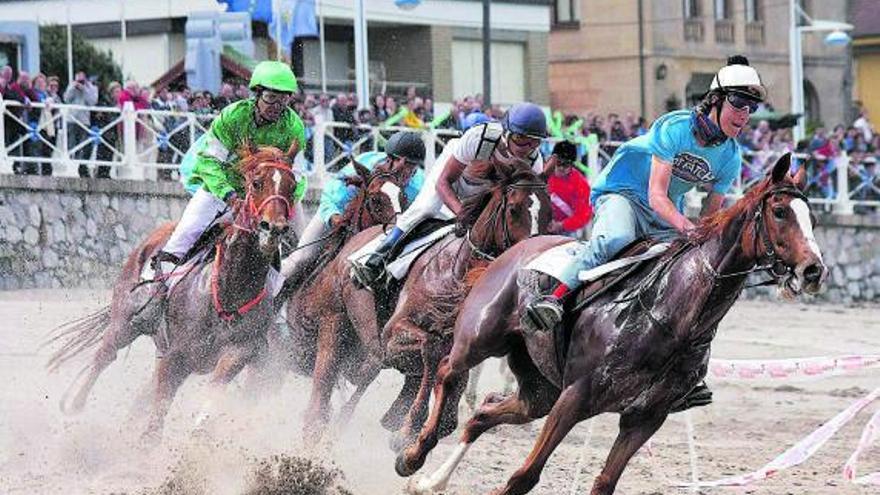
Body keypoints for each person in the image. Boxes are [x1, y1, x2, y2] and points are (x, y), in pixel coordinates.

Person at [525, 55, 767, 332]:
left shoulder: (732, 158)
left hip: (664, 211)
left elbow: (708, 217)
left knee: (681, 262)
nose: (744, 113)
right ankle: (553, 299)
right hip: (622, 193)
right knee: (617, 238)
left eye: (752, 107)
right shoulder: (674, 127)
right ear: (715, 99)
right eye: (738, 102)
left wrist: (704, 241)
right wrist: (688, 229)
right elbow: (656, 195)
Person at [135, 61, 308, 322]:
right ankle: (154, 299)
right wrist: (228, 194)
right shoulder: (233, 116)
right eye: (271, 98)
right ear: (257, 94)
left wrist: (284, 204)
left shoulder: (294, 126)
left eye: (283, 100)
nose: (277, 107)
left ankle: (282, 317)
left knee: (302, 247)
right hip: (222, 190)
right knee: (183, 237)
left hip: (269, 197)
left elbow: (299, 174)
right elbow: (208, 161)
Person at [349, 102, 547, 288]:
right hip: (453, 178)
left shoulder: (534, 163)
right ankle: (376, 256)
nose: (527, 148)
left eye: (534, 142)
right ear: (506, 133)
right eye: (521, 139)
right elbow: (443, 182)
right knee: (426, 208)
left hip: (484, 190)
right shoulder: (479, 137)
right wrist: (462, 214)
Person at [279, 131, 426, 290]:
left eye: (411, 166)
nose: (405, 170)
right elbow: (332, 196)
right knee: (302, 258)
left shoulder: (419, 186)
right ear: (389, 158)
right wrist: (334, 217)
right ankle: (269, 297)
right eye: (399, 161)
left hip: (381, 230)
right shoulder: (366, 163)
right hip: (337, 214)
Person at [545, 140, 593, 237]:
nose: (561, 168)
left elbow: (583, 214)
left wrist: (561, 225)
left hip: (565, 230)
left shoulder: (580, 184)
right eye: (559, 163)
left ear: (572, 165)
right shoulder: (541, 173)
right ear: (553, 160)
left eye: (566, 164)